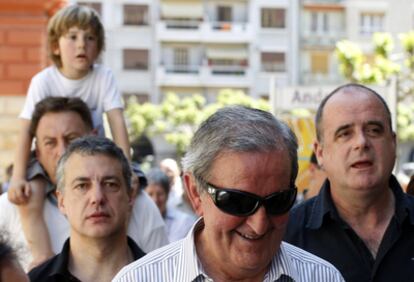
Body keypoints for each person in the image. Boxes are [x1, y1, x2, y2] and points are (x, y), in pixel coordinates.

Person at [113, 106, 344, 282]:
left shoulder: (322, 277)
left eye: (278, 201)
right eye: (238, 202)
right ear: (195, 192)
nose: (259, 224)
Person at [8, 4, 130, 266]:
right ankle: (42, 253)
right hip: (49, 163)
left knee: (128, 190)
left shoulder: (103, 76)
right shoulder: (43, 80)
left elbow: (117, 122)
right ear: (55, 46)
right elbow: (26, 130)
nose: (81, 45)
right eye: (72, 37)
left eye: (89, 38)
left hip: (95, 155)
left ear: (98, 47)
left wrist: (127, 168)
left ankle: (122, 252)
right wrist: (18, 177)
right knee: (33, 191)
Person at [0, 97, 168, 270]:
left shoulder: (141, 206)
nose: (62, 151)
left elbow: (164, 271)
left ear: (92, 137)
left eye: (72, 139)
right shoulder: (9, 208)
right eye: (50, 142)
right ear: (38, 152)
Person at [284, 83, 414, 282]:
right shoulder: (285, 236)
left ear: (393, 143)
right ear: (320, 153)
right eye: (344, 133)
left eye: (374, 130)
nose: (361, 142)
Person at [29, 136, 145, 282]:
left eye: (110, 184)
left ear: (130, 195)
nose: (97, 197)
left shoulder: (167, 276)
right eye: (82, 186)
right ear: (62, 201)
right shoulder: (33, 280)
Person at [145, 168, 196, 242]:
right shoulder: (137, 224)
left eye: (160, 194)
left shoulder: (185, 222)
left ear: (168, 194)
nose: (155, 200)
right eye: (150, 194)